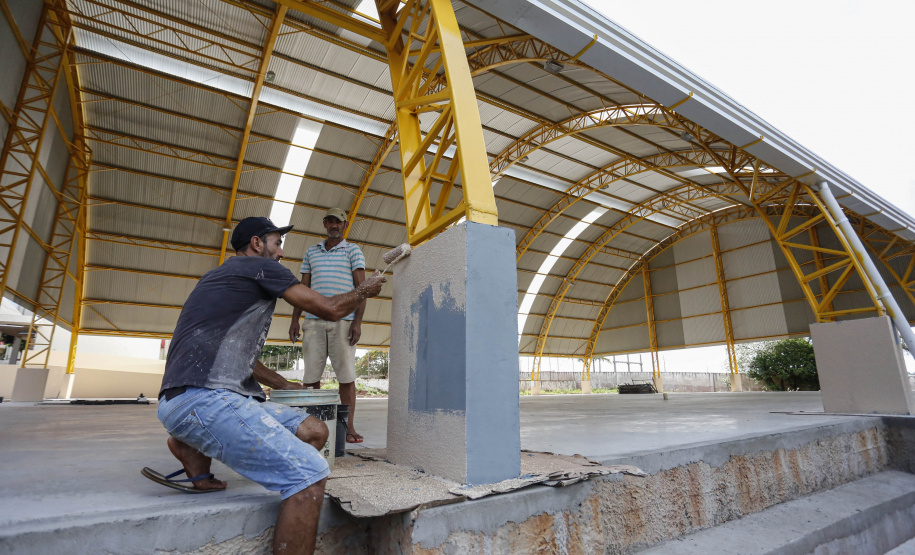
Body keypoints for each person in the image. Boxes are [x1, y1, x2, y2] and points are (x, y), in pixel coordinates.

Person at [148, 216, 385, 555]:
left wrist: (282, 383)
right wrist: (364, 290)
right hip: (207, 399)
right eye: (277, 244)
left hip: (185, 398)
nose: (281, 253)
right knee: (309, 473)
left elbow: (238, 357)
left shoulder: (216, 278)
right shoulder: (261, 268)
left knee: (315, 431)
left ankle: (191, 449)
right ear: (257, 244)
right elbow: (331, 309)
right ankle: (203, 442)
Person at [288, 208, 367, 444]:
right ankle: (311, 427)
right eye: (330, 221)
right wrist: (295, 319)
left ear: (345, 225)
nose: (334, 225)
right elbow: (302, 289)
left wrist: (357, 322)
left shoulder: (353, 250)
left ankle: (349, 427)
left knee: (346, 377)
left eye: (338, 222)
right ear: (324, 224)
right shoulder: (312, 251)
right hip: (312, 321)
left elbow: (362, 290)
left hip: (343, 321)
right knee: (311, 377)